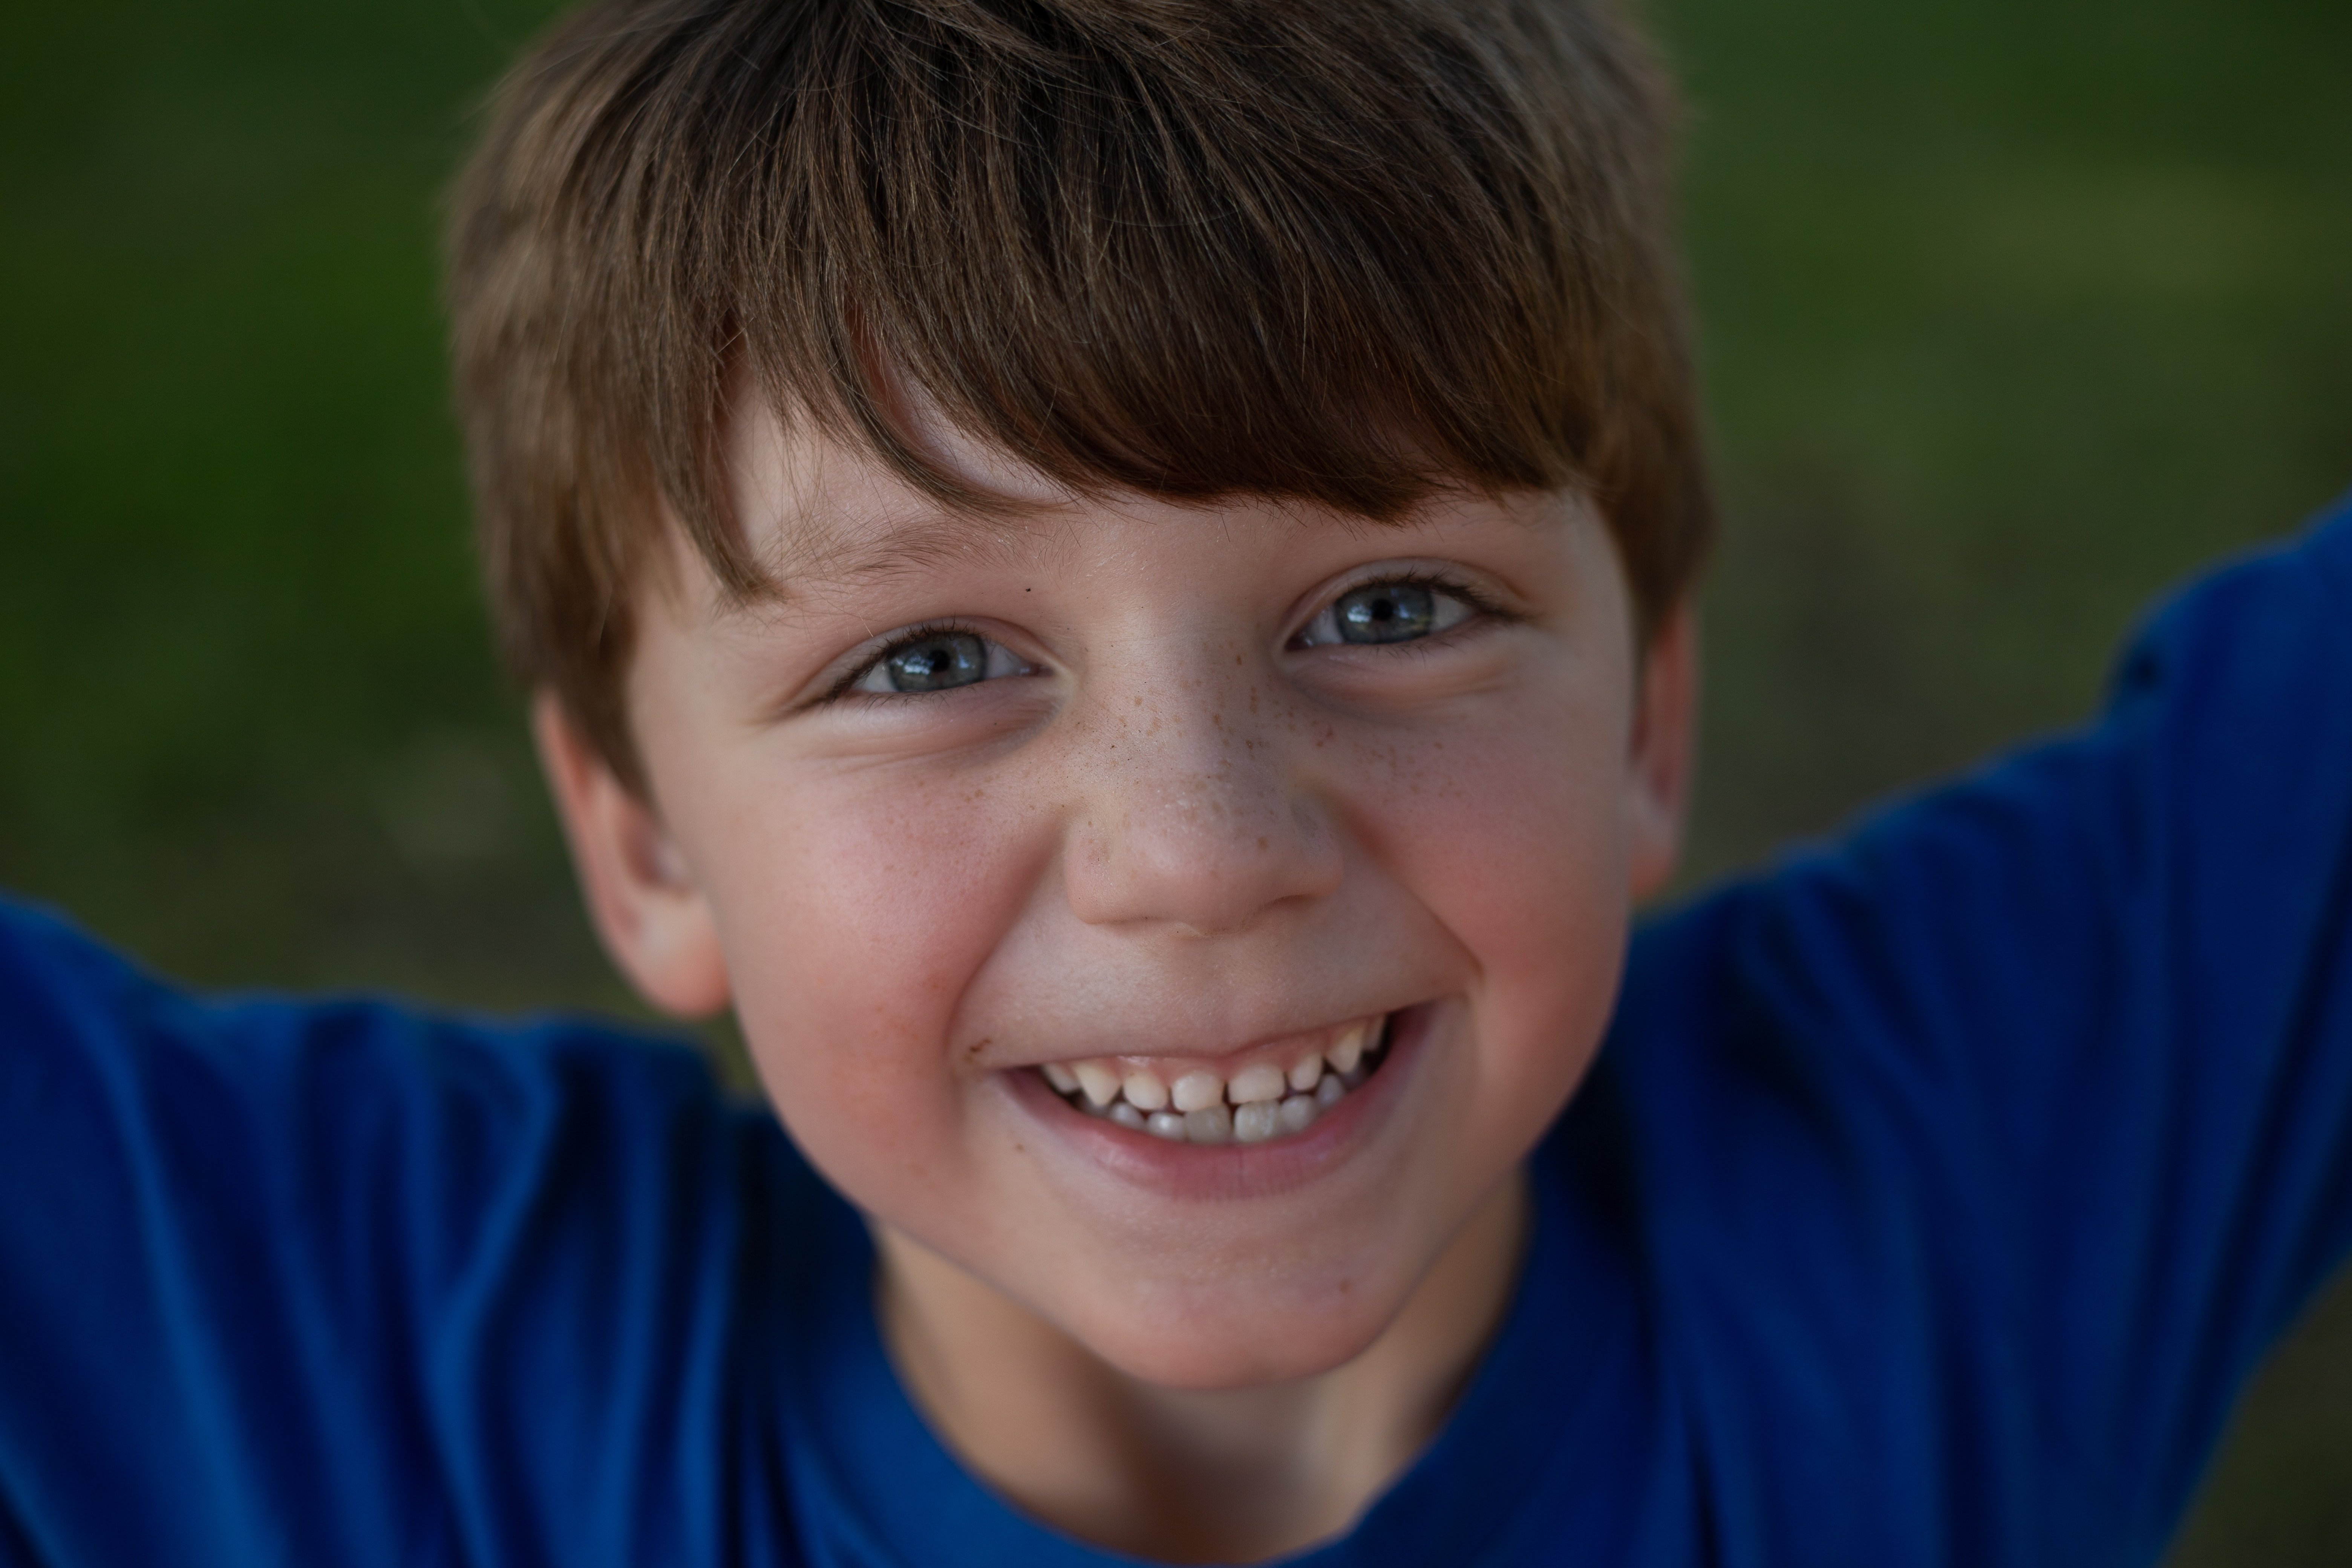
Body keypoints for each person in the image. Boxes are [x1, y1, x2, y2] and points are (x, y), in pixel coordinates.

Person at [2, 0, 2347, 1562]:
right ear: (635, 830)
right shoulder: (350, 1387)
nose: (1208, 853)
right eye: (929, 658)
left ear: (1644, 719)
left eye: (1391, 610)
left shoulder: (1955, 1202)